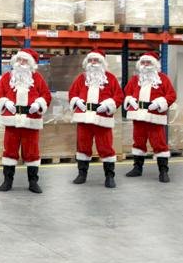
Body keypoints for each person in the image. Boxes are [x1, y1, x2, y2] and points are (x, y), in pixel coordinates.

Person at [0, 48, 51, 193]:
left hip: (31, 121)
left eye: (24, 60)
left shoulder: (37, 78)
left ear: (30, 63)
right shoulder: (7, 77)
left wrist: (38, 104)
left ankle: (33, 182)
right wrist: (5, 102)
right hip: (11, 122)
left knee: (32, 153)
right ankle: (7, 181)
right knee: (9, 151)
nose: (21, 62)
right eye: (19, 59)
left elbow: (46, 95)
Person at [68, 49, 123, 188]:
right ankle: (82, 174)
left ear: (102, 62)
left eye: (96, 60)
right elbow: (72, 93)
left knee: (106, 147)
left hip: (102, 118)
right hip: (84, 118)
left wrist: (108, 105)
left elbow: (119, 96)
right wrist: (77, 101)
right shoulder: (81, 78)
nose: (93, 63)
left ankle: (109, 176)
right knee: (82, 146)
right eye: (90, 60)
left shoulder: (110, 78)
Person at [123, 52, 177, 182]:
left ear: (154, 64)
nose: (145, 65)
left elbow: (171, 95)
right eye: (143, 62)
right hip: (138, 115)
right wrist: (130, 99)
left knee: (159, 143)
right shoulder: (135, 79)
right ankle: (137, 168)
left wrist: (159, 103)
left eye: (148, 62)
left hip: (155, 116)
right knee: (138, 142)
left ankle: (163, 171)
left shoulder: (163, 79)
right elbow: (127, 92)